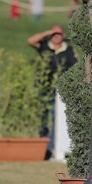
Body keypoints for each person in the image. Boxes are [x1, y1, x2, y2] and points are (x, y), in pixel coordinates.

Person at [27, 24, 78, 156]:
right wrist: (48, 32)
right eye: (54, 34)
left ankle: (54, 145)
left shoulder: (68, 50)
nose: (56, 36)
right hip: (44, 86)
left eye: (59, 34)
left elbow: (75, 67)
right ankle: (43, 145)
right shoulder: (44, 46)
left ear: (63, 36)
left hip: (60, 89)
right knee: (43, 117)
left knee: (57, 117)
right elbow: (30, 41)